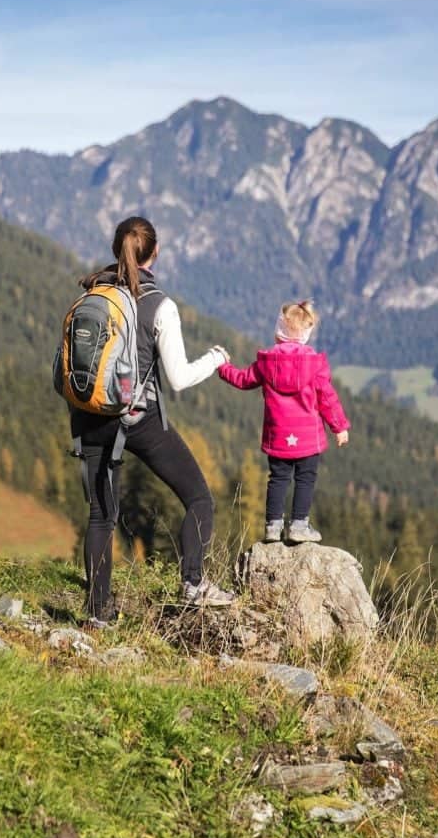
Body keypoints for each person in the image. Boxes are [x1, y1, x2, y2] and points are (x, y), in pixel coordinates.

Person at [69, 216, 236, 627]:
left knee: (100, 516)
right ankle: (193, 584)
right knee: (198, 497)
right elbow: (178, 379)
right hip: (139, 422)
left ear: (116, 250)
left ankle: (98, 614)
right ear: (154, 253)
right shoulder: (160, 304)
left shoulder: (96, 289)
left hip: (90, 413)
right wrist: (215, 359)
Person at [217, 300, 350, 544]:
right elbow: (327, 398)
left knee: (278, 478)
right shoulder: (314, 364)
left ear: (279, 331)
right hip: (308, 437)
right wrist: (339, 427)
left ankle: (272, 526)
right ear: (306, 334)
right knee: (305, 478)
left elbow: (243, 379)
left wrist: (222, 367)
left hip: (278, 436)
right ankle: (299, 524)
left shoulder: (267, 362)